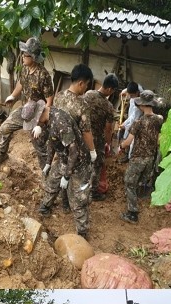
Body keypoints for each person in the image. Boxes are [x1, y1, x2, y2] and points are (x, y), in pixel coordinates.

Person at [0, 37, 54, 169]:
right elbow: (21, 82)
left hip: (39, 114)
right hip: (26, 109)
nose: (23, 56)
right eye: (23, 53)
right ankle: (2, 154)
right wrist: (12, 95)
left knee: (39, 144)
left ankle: (46, 170)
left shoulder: (43, 75)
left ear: (34, 57)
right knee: (5, 128)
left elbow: (49, 101)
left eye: (26, 55)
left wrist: (40, 124)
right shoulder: (25, 69)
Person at [38, 105, 94, 238]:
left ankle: (82, 232)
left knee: (77, 199)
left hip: (79, 163)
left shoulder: (60, 122)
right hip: (64, 159)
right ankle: (45, 207)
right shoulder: (48, 119)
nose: (36, 123)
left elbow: (74, 152)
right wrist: (48, 163)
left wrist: (67, 176)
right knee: (51, 182)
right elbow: (52, 142)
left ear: (40, 113)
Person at [54, 64, 98, 212]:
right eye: (86, 85)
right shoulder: (82, 104)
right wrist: (92, 151)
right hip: (75, 149)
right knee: (75, 176)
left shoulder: (59, 96)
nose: (85, 88)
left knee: (63, 172)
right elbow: (86, 132)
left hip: (60, 146)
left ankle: (65, 204)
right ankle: (76, 206)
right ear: (81, 83)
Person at [119, 90, 164, 224]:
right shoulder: (159, 119)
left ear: (142, 105)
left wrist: (121, 145)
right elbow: (160, 138)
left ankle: (132, 213)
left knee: (129, 182)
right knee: (141, 180)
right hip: (151, 158)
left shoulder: (138, 123)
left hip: (138, 158)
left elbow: (128, 142)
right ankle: (141, 195)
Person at [83, 73, 119, 201]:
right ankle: (93, 193)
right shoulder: (108, 106)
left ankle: (78, 187)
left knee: (82, 162)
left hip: (83, 135)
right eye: (113, 90)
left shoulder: (88, 94)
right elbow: (108, 128)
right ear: (109, 89)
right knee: (97, 165)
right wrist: (108, 143)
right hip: (96, 140)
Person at [120, 81, 143, 159]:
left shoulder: (139, 107)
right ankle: (126, 153)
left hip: (136, 123)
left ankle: (129, 157)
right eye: (129, 94)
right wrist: (125, 91)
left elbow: (133, 119)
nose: (130, 96)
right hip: (131, 117)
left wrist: (125, 125)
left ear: (137, 93)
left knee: (131, 140)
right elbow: (137, 85)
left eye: (132, 95)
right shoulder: (137, 89)